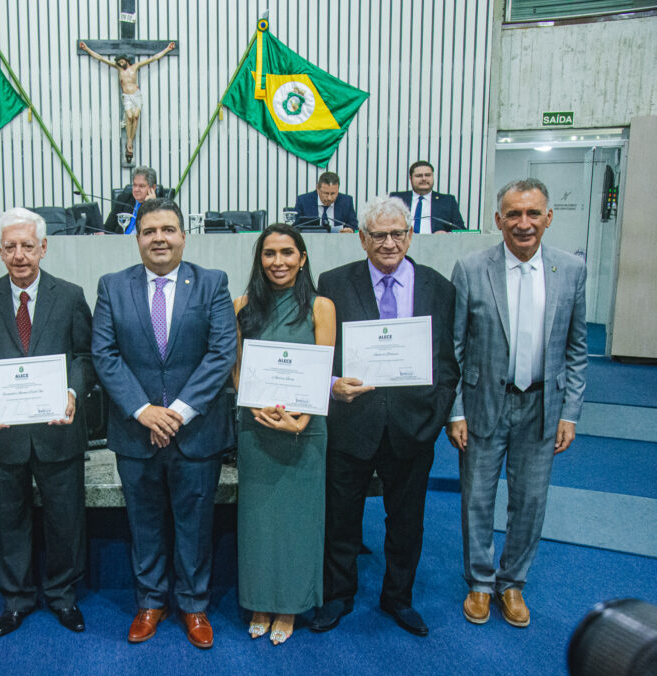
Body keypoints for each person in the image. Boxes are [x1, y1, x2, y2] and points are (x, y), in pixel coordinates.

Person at [92, 198, 237, 649]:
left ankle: (194, 606)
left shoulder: (212, 283)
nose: (159, 238)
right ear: (137, 238)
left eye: (168, 229)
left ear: (183, 235)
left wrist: (176, 411)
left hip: (196, 431)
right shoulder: (112, 286)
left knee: (195, 524)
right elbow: (104, 354)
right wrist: (143, 410)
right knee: (145, 522)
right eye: (150, 230)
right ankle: (150, 602)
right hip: (135, 433)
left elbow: (221, 354)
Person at [312, 195, 459, 637]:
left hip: (413, 429)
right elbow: (322, 352)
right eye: (379, 235)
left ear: (410, 235)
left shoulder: (439, 287)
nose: (389, 243)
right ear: (362, 239)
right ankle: (338, 596)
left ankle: (398, 598)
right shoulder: (333, 283)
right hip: (352, 424)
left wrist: (433, 418)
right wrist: (332, 383)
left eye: (398, 234)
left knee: (407, 523)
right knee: (341, 519)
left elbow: (447, 362)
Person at [446, 179, 586, 628]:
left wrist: (570, 413)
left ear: (548, 217)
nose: (522, 224)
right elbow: (454, 347)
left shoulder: (571, 270)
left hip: (543, 407)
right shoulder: (470, 269)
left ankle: (512, 584)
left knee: (530, 501)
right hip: (485, 402)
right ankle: (481, 584)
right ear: (498, 220)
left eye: (532, 214)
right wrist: (456, 410)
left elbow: (576, 349)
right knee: (477, 500)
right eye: (513, 214)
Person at [0, 208, 94, 637]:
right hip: (4, 435)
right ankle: (15, 601)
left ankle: (62, 596)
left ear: (44, 247)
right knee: (9, 519)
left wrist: (71, 392)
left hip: (58, 432)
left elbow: (86, 358)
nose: (20, 255)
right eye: (11, 246)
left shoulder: (70, 295)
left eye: (27, 246)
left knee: (65, 519)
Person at [233, 224, 335, 645]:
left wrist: (302, 420)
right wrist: (253, 404)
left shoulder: (321, 306)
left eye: (288, 253)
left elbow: (322, 368)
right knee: (257, 523)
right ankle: (259, 600)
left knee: (298, 523)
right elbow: (236, 368)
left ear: (303, 258)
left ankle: (291, 604)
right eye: (270, 254)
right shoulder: (240, 304)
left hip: (303, 432)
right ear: (260, 260)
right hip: (255, 429)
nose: (279, 262)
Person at [79, 41, 176, 163]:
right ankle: (129, 141)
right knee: (129, 116)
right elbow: (101, 58)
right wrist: (87, 49)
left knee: (136, 116)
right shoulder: (118, 69)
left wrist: (167, 49)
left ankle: (130, 142)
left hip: (136, 94)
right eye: (119, 62)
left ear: (126, 60)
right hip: (126, 96)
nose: (120, 63)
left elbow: (153, 58)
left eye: (122, 61)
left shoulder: (135, 67)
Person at [390, 161, 466, 233]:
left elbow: (461, 230)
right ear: (410, 178)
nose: (424, 179)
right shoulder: (397, 198)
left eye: (428, 175)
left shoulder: (448, 201)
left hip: (436, 244)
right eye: (419, 176)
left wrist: (447, 234)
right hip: (403, 243)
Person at [293, 171, 358, 232]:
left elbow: (354, 226)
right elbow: (295, 227)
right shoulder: (303, 201)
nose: (329, 198)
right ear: (318, 189)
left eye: (333, 193)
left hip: (339, 241)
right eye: (326, 193)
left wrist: (350, 230)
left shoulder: (346, 201)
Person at [103, 165, 159, 234]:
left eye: (141, 186)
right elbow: (108, 228)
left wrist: (151, 206)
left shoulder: (160, 205)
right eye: (134, 185)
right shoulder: (123, 200)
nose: (136, 189)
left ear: (153, 187)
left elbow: (158, 232)